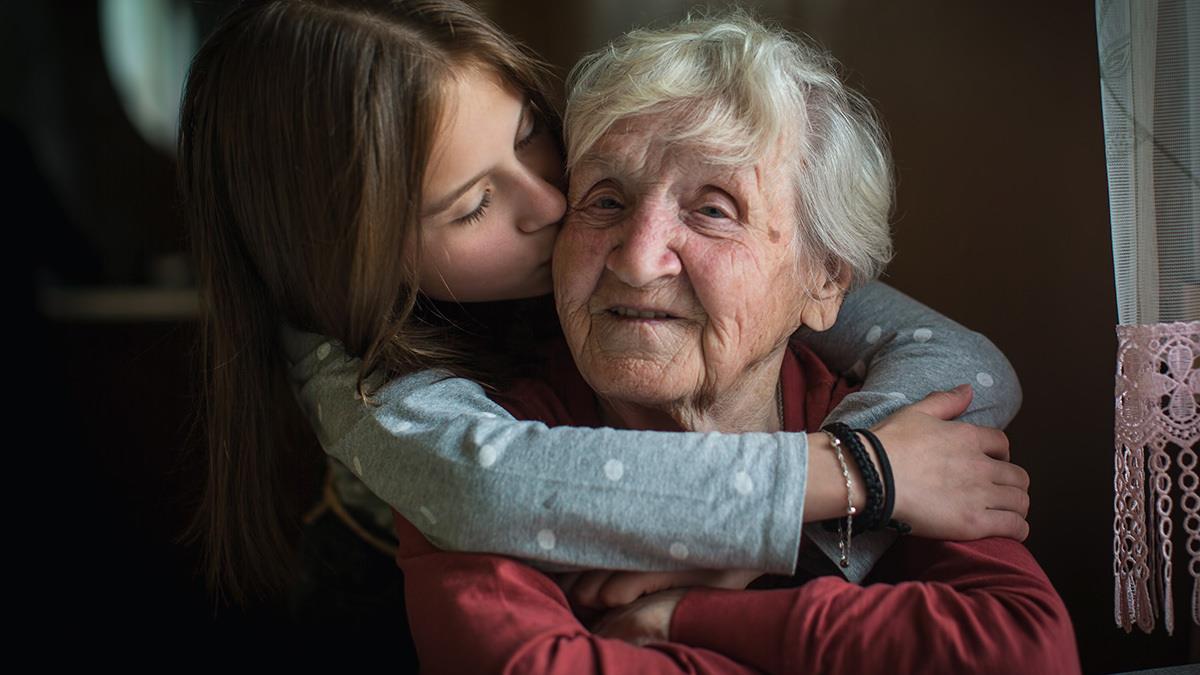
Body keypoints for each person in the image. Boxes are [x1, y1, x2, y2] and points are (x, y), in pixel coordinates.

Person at [179, 0, 1026, 625]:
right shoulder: (359, 373)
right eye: (473, 204)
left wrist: (831, 520)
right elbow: (488, 486)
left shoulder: (729, 266)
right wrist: (860, 475)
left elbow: (964, 363)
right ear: (351, 261)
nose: (552, 201)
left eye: (527, 136)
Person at [390, 11, 1079, 673]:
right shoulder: (491, 448)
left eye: (713, 209)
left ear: (824, 280)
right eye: (605, 199)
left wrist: (685, 614)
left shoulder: (895, 427)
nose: (637, 258)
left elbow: (1024, 652)